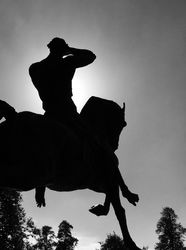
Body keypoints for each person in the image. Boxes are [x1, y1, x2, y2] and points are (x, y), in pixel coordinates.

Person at [29, 38, 138, 211]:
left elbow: (42, 89)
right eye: (62, 48)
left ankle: (39, 187)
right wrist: (70, 50)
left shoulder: (35, 68)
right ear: (61, 49)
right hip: (68, 114)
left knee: (40, 144)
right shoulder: (67, 63)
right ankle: (124, 190)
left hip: (50, 114)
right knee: (102, 147)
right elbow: (91, 56)